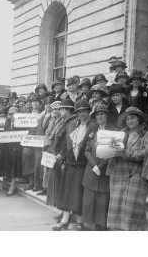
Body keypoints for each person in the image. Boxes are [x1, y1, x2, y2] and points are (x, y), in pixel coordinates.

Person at [107, 107, 148, 230]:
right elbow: (111, 149)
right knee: (117, 205)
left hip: (136, 175)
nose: (129, 121)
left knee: (132, 208)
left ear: (139, 119)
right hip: (119, 173)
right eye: (127, 118)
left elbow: (147, 153)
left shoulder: (146, 134)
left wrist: (126, 152)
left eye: (132, 118)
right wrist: (110, 148)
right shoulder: (121, 133)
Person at [52, 99, 92, 231]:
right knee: (67, 190)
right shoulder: (75, 125)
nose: (82, 114)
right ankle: (65, 219)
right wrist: (62, 155)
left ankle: (80, 220)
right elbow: (67, 144)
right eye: (79, 112)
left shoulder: (93, 126)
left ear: (88, 112)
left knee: (78, 192)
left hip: (83, 163)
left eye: (84, 111)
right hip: (70, 161)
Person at [82, 103, 112, 231]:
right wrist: (94, 165)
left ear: (107, 116)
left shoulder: (112, 131)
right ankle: (88, 224)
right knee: (89, 198)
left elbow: (113, 151)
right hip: (91, 168)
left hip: (105, 169)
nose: (100, 116)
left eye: (102, 114)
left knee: (102, 198)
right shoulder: (93, 129)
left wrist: (101, 166)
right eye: (97, 114)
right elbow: (86, 149)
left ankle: (101, 224)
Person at [51, 98, 75, 229]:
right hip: (59, 157)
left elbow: (69, 143)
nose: (60, 111)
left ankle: (66, 216)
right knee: (61, 187)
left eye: (62, 108)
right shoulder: (64, 121)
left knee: (65, 188)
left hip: (65, 158)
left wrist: (63, 155)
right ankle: (63, 212)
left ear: (67, 110)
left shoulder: (71, 122)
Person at [3, 106, 22, 196]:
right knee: (8, 165)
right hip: (8, 146)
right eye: (10, 114)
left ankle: (13, 185)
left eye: (13, 114)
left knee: (14, 166)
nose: (11, 116)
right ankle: (9, 182)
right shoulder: (7, 122)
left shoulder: (20, 123)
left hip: (17, 147)